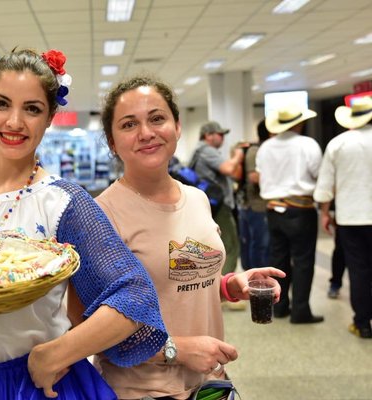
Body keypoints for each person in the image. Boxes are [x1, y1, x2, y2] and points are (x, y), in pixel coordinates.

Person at [0, 48, 169, 399]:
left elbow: (135, 295)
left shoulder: (63, 201)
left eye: (32, 109)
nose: (14, 123)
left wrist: (61, 351)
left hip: (34, 384)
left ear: (50, 117)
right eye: (2, 104)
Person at [89, 75, 285, 399]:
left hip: (210, 383)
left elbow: (178, 282)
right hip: (142, 389)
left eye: (157, 118)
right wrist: (175, 350)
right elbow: (91, 330)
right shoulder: (102, 216)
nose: (147, 133)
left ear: (177, 126)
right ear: (111, 141)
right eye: (128, 125)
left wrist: (229, 285)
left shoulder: (197, 198)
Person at [256, 104, 324, 324]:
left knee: (279, 260)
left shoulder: (265, 147)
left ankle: (280, 306)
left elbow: (261, 175)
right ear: (300, 123)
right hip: (300, 209)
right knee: (303, 261)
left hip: (273, 210)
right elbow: (318, 174)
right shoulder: (307, 144)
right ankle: (301, 310)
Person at [313, 96, 372, 338]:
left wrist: (325, 213)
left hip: (350, 218)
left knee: (358, 270)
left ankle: (362, 324)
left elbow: (326, 184)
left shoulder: (338, 144)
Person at [191, 121, 244, 277]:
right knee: (230, 246)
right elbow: (228, 168)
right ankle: (225, 293)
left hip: (208, 206)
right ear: (208, 136)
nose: (223, 138)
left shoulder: (197, 150)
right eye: (220, 135)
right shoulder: (207, 150)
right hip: (219, 207)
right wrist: (238, 155)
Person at [237, 119, 270, 270]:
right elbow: (253, 177)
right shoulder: (255, 151)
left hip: (254, 205)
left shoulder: (260, 149)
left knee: (254, 242)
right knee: (259, 244)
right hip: (255, 205)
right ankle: (256, 277)